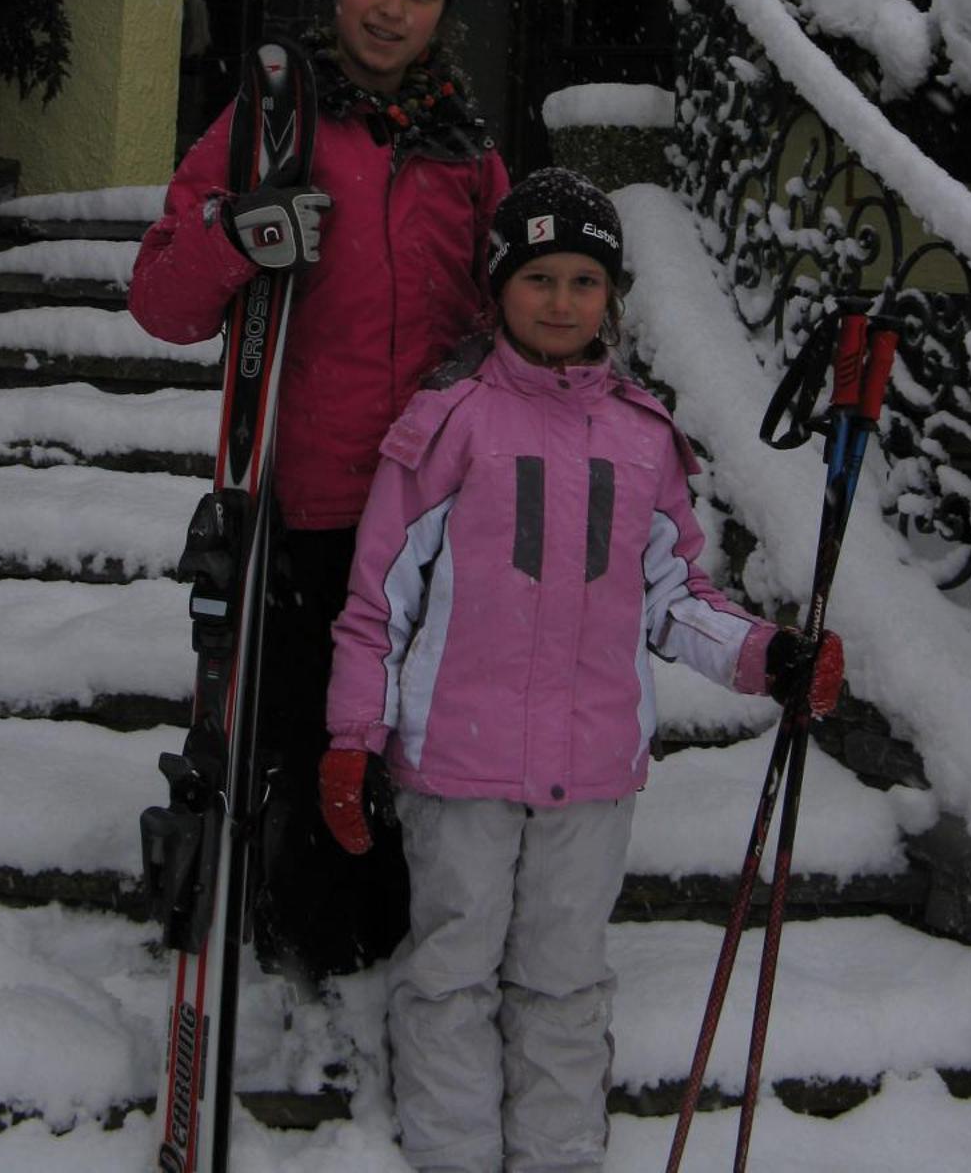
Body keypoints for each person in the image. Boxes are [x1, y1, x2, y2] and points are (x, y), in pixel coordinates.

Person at [320, 167, 844, 1173]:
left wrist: (768, 655)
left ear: (612, 295)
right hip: (457, 765)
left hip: (592, 767)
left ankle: (559, 1150)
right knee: (454, 966)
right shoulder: (451, 422)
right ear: (499, 287)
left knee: (564, 972)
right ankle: (453, 1147)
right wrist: (355, 736)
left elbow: (677, 597)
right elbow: (378, 600)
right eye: (540, 278)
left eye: (584, 281)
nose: (562, 301)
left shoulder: (642, 438)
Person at [129, 0, 511, 979]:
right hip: (313, 508)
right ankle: (310, 955)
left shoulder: (466, 153)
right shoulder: (271, 121)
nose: (392, 9)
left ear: (444, 12)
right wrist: (240, 234)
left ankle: (408, 937)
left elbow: (516, 311)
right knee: (314, 741)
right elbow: (161, 297)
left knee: (415, 742)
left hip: (434, 517)